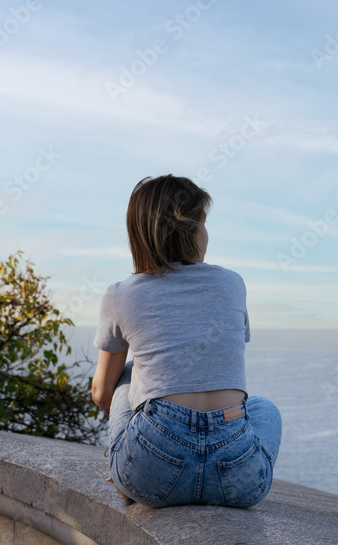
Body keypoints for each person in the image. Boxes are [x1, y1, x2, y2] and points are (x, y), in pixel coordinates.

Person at [90, 174, 282, 508]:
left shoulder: (120, 295)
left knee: (128, 373)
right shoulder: (232, 284)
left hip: (151, 471)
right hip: (238, 477)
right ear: (193, 231)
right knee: (265, 408)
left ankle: (124, 470)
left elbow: (101, 393)